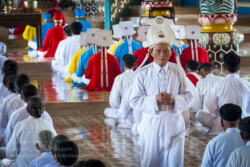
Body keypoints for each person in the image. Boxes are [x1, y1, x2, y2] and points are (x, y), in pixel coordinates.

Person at [129, 39, 193, 167]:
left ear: (171, 53)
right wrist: (154, 100)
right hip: (152, 123)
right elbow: (134, 101)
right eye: (158, 51)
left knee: (175, 163)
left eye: (166, 51)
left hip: (174, 122)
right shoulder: (143, 73)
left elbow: (189, 96)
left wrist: (175, 99)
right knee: (152, 161)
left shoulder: (178, 71)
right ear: (151, 52)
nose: (162, 55)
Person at [198, 53, 250, 134]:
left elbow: (211, 108)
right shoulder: (246, 84)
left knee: (199, 114)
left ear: (224, 67)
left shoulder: (218, 84)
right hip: (241, 124)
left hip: (222, 124)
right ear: (239, 67)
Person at [3, 96, 57, 166]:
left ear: (27, 109)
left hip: (22, 165)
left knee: (4, 161)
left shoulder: (20, 125)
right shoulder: (48, 125)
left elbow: (10, 153)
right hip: (43, 164)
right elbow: (56, 145)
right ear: (43, 110)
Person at [104, 54, 137, 121]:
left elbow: (114, 101)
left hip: (123, 111)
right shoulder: (139, 77)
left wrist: (121, 107)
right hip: (137, 110)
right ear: (135, 65)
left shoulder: (119, 78)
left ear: (123, 65)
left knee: (106, 111)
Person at [0, 74, 30, 140]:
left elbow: (3, 125)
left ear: (16, 90)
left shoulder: (8, 101)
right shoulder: (42, 111)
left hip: (13, 141)